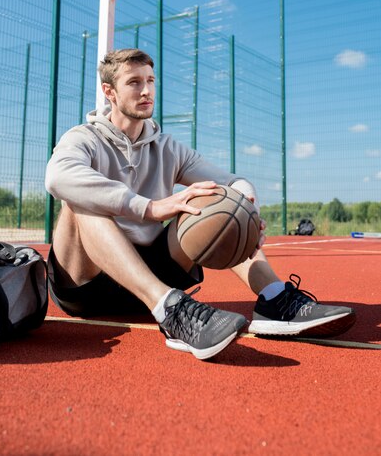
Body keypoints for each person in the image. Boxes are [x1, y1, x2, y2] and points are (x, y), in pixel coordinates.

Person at [45, 48, 355, 360]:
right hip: (86, 284)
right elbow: (58, 177)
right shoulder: (83, 138)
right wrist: (149, 208)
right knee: (79, 202)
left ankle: (275, 300)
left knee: (226, 208)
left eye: (151, 81)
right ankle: (170, 311)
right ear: (109, 92)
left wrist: (248, 210)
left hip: (151, 271)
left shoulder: (167, 148)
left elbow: (232, 181)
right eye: (134, 82)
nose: (147, 90)